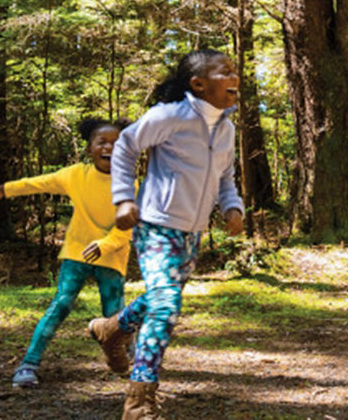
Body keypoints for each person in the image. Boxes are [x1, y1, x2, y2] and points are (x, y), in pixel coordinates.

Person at [88, 48, 245, 418]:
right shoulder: (169, 116)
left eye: (235, 70)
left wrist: (232, 206)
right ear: (199, 84)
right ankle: (139, 402)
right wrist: (124, 199)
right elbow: (126, 147)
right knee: (165, 306)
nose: (235, 77)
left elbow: (225, 177)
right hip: (156, 225)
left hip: (192, 234)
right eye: (225, 71)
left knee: (161, 299)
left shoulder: (227, 129)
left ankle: (112, 330)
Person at [0, 118, 133, 388]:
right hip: (76, 254)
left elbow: (125, 229)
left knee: (115, 314)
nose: (109, 147)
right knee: (61, 304)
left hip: (111, 256)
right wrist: (1, 190)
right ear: (89, 148)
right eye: (102, 142)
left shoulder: (129, 184)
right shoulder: (75, 175)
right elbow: (37, 183)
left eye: (117, 143)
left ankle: (133, 361)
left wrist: (104, 245)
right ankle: (29, 364)